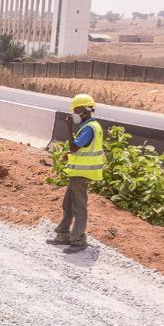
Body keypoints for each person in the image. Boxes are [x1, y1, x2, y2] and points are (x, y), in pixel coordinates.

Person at [47, 94, 105, 252]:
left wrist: (69, 127)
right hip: (78, 172)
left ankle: (78, 240)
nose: (74, 114)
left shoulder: (89, 128)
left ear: (86, 110)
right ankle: (63, 234)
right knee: (68, 204)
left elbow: (74, 147)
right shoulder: (90, 126)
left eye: (77, 110)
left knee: (78, 207)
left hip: (82, 173)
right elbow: (80, 149)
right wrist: (69, 154)